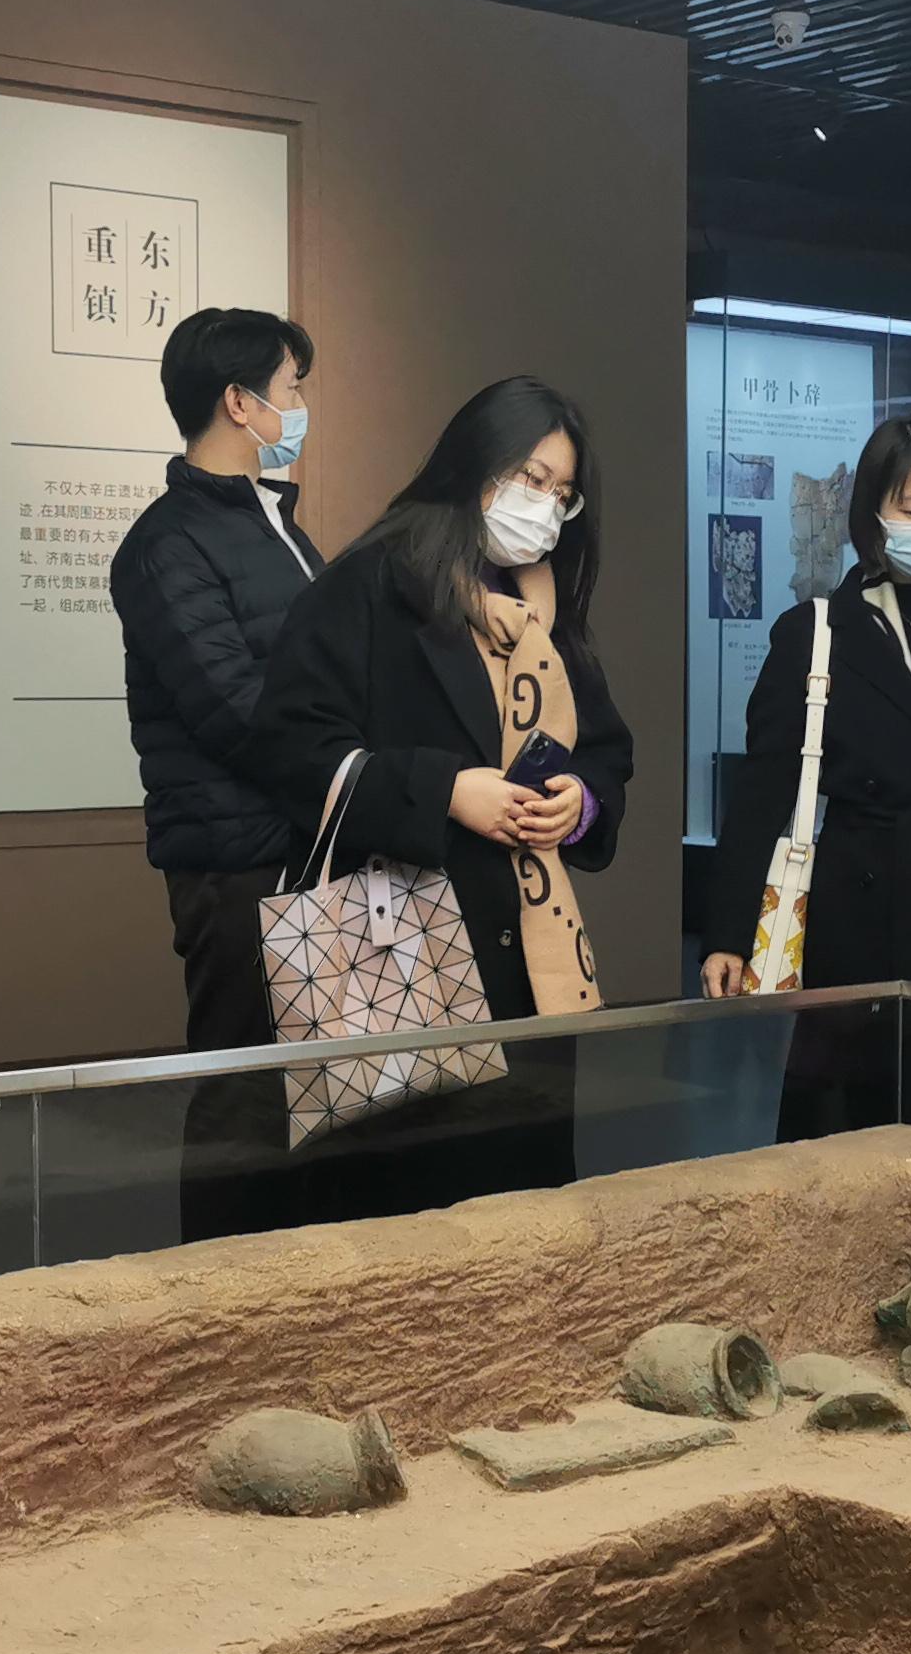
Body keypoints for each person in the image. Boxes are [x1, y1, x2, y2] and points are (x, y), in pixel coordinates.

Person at [254, 375, 634, 1215]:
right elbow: (289, 748)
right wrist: (444, 789)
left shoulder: (547, 609)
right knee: (411, 1216)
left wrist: (581, 802)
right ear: (476, 464)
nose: (545, 506)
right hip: (404, 959)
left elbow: (606, 750)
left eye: (562, 493)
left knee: (528, 1215)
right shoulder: (369, 584)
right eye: (532, 478)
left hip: (532, 966)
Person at [699, 413, 911, 1143]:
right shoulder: (813, 632)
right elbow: (762, 794)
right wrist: (727, 933)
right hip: (853, 918)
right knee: (845, 1138)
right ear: (872, 517)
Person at [108, 307, 324, 1239]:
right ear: (239, 402)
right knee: (245, 1102)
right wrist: (355, 756)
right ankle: (222, 1301)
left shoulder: (275, 520)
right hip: (237, 862)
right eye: (291, 389)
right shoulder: (167, 543)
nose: (300, 406)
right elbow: (234, 710)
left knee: (323, 1101)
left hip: (306, 843)